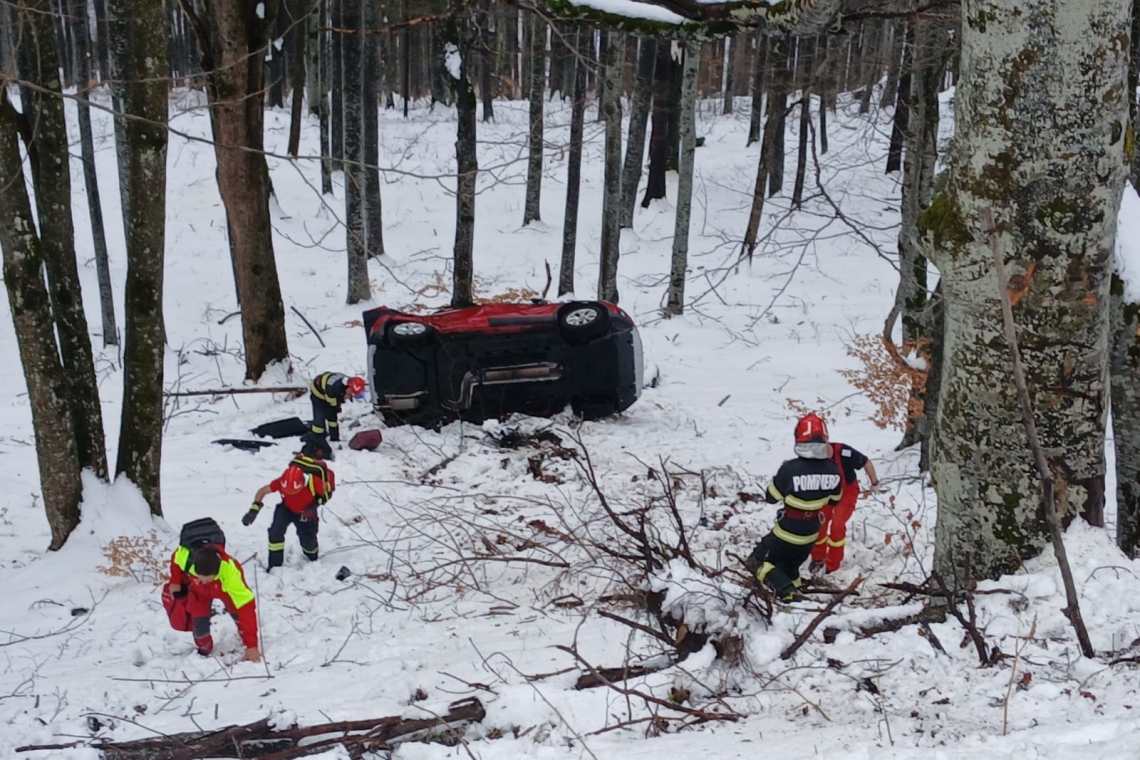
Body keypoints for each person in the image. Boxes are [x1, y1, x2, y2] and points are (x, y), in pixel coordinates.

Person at [745, 413, 843, 601]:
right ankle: (797, 601)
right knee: (790, 568)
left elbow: (771, 497)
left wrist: (781, 474)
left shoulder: (790, 469)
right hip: (811, 533)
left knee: (755, 562)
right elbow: (834, 500)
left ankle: (788, 593)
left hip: (787, 532)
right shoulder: (833, 469)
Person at [245, 448, 336, 570]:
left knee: (308, 542)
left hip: (306, 512)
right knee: (275, 533)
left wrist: (314, 505)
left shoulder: (315, 483)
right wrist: (254, 510)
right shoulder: (282, 481)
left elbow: (325, 494)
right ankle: (275, 565)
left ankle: (311, 558)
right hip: (286, 509)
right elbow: (263, 491)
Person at [168, 543, 261, 661]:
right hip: (198, 593)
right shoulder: (187, 559)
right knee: (200, 628)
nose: (205, 582)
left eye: (208, 580)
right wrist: (175, 581)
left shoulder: (231, 574)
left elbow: (246, 609)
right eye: (200, 579)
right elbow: (176, 556)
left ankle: (245, 638)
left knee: (239, 615)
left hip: (225, 591)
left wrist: (252, 646)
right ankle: (204, 649)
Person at [809, 431, 880, 576]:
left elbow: (866, 462)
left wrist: (875, 483)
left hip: (847, 492)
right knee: (819, 524)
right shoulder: (812, 458)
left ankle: (832, 564)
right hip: (826, 493)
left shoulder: (844, 452)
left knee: (837, 525)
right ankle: (817, 558)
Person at [309, 372, 366, 442]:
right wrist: (340, 401)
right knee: (320, 416)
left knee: (333, 418)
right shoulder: (334, 388)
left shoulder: (347, 382)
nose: (351, 395)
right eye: (350, 393)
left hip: (328, 390)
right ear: (348, 387)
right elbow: (331, 402)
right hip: (317, 393)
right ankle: (317, 439)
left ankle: (334, 438)